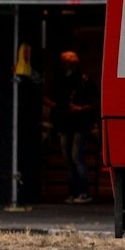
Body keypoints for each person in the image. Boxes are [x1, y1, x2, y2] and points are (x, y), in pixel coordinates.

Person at [47, 51, 100, 203]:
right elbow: (53, 99)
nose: (67, 64)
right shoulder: (59, 80)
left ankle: (83, 192)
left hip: (80, 123)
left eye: (70, 61)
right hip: (65, 122)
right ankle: (73, 192)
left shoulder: (84, 79)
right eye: (65, 61)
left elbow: (95, 101)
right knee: (68, 159)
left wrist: (80, 108)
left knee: (76, 156)